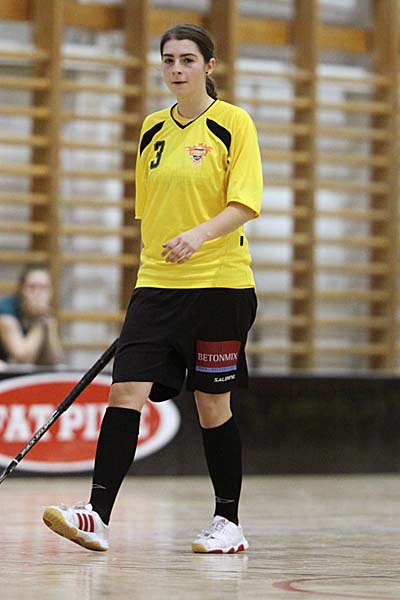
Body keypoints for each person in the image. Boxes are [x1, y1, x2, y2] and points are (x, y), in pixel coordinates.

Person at [42, 23, 263, 554]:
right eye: (168, 60)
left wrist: (198, 235)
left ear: (209, 66)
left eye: (187, 60)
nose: (176, 69)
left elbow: (245, 204)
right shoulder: (151, 131)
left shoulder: (234, 123)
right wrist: (150, 286)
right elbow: (152, 216)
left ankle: (228, 522)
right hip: (157, 286)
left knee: (212, 404)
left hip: (220, 287)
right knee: (124, 393)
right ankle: (96, 515)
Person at [0, 264, 62, 367]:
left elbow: (53, 360)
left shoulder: (48, 315)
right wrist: (40, 322)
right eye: (32, 287)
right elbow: (22, 358)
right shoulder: (5, 311)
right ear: (21, 290)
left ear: (51, 292)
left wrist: (49, 326)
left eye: (43, 288)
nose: (38, 293)